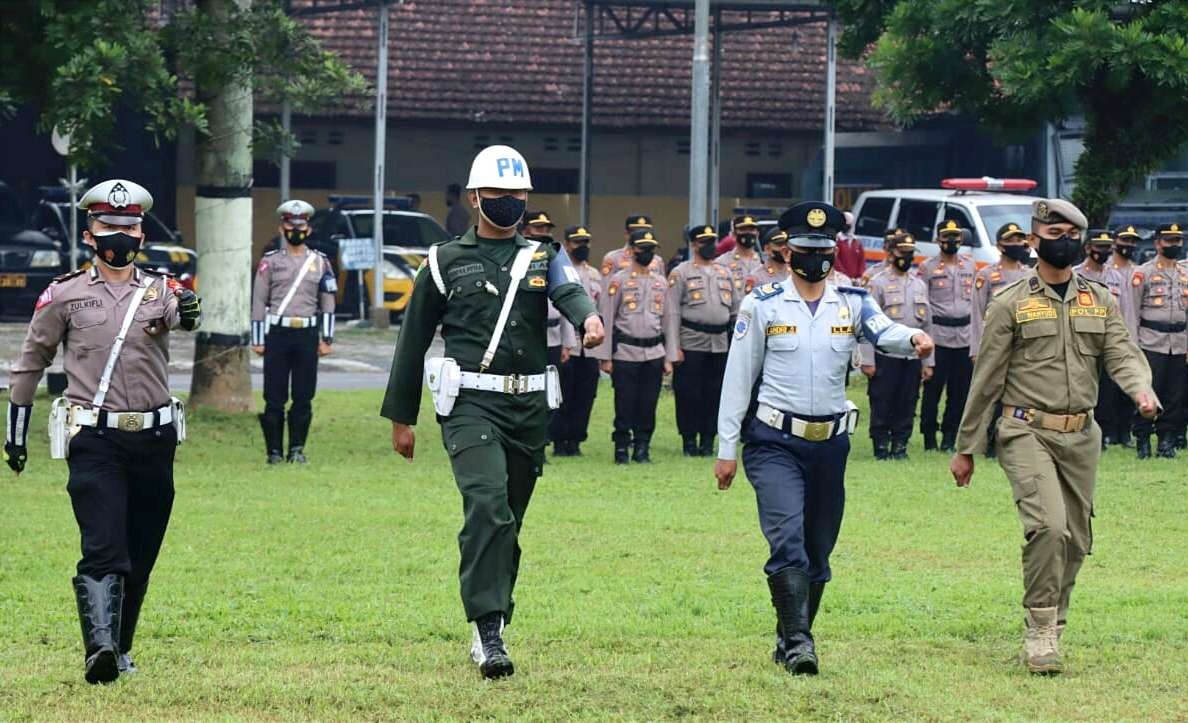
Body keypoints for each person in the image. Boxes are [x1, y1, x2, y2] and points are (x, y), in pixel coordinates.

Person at [381, 145, 603, 679]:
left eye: (518, 195)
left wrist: (589, 320)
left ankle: (496, 618)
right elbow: (413, 342)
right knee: (488, 507)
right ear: (476, 198)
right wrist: (402, 418)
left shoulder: (544, 256)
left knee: (510, 520)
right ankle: (486, 629)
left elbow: (570, 294)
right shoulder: (443, 260)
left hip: (527, 406)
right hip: (470, 405)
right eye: (499, 195)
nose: (510, 203)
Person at [715, 201, 934, 676]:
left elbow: (884, 331)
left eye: (823, 249)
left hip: (830, 445)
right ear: (787, 251)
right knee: (787, 538)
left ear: (834, 252)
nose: (814, 256)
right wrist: (726, 449)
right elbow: (738, 377)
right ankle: (799, 643)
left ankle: (790, 630)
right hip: (774, 441)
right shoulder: (764, 304)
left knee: (819, 548)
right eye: (804, 248)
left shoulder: (852, 302)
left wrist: (912, 337)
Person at [4, 179, 202, 684]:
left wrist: (189, 312)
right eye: (109, 227)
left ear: (141, 233)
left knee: (140, 551)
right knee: (104, 546)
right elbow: (30, 364)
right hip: (95, 440)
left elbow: (183, 314)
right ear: (90, 233)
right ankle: (100, 651)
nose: (120, 235)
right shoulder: (63, 295)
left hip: (155, 440)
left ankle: (122, 648)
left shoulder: (160, 289)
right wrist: (16, 432)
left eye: (130, 227)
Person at [951, 198, 1159, 675]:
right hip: (1025, 429)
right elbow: (986, 379)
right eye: (1054, 233)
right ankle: (1040, 629)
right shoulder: (1011, 303)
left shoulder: (1099, 299)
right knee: (1048, 526)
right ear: (1034, 240)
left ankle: (1055, 623)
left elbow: (1123, 354)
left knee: (1076, 539)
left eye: (1072, 233)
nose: (1064, 241)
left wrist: (1141, 390)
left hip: (1081, 435)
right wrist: (967, 447)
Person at [251, 200, 336, 465]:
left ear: (308, 230)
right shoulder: (270, 263)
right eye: (290, 224)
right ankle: (274, 452)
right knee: (273, 396)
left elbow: (328, 302)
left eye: (301, 225)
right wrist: (257, 338)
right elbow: (258, 301)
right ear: (281, 228)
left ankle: (297, 449)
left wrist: (327, 338)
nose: (296, 229)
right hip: (277, 334)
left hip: (307, 336)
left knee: (303, 395)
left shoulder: (321, 263)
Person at [594, 229, 672, 464]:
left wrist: (669, 357)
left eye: (651, 249)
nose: (646, 253)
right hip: (625, 352)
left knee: (648, 402)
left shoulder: (660, 282)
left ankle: (642, 447)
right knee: (625, 402)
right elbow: (606, 316)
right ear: (632, 249)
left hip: (654, 352)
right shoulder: (618, 281)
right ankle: (621, 447)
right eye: (642, 249)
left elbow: (669, 319)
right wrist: (605, 356)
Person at [666, 224, 739, 456]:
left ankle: (708, 439)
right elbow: (672, 312)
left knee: (715, 393)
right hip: (691, 341)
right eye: (704, 242)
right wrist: (674, 348)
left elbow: (736, 310)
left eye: (712, 241)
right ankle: (689, 440)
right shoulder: (681, 272)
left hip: (719, 341)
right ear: (694, 244)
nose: (709, 246)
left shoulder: (724, 272)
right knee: (689, 393)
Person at [859, 232, 933, 459]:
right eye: (903, 252)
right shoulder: (878, 283)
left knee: (908, 401)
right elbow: (866, 325)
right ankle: (881, 446)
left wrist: (928, 362)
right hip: (886, 354)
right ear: (891, 254)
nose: (907, 257)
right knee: (882, 400)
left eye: (911, 253)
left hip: (912, 355)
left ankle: (900, 445)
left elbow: (927, 326)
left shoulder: (919, 284)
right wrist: (867, 359)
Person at [969, 223, 1032, 458]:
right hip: (994, 344)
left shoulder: (1029, 275)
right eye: (1011, 241)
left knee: (1020, 394)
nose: (1017, 245)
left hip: (1023, 345)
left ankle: (1017, 440)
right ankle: (989, 443)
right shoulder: (986, 275)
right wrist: (976, 349)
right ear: (1000, 246)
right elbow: (976, 313)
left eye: (1019, 240)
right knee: (992, 394)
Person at [1125, 222, 1186, 459]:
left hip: (1179, 342)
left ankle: (1166, 440)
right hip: (1151, 341)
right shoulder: (1143, 273)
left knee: (1175, 395)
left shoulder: (1184, 273)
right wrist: (1133, 346)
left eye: (1177, 241)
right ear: (1158, 243)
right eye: (1169, 241)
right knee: (1148, 392)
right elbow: (1132, 311)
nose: (1174, 245)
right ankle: (1142, 438)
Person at [918, 218, 976, 452]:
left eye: (955, 237)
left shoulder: (970, 266)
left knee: (960, 391)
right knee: (933, 390)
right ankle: (929, 438)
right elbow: (922, 304)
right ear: (937, 239)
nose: (951, 241)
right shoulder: (927, 268)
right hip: (938, 336)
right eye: (946, 237)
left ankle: (950, 438)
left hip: (964, 336)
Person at [550, 225, 602, 456]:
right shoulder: (560, 271)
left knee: (585, 394)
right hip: (568, 344)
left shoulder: (593, 274)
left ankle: (576, 439)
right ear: (567, 244)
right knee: (563, 394)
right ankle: (560, 440)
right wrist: (566, 343)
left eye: (586, 242)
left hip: (589, 348)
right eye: (577, 242)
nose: (582, 247)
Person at [1074, 230, 1128, 449]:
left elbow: (1123, 310)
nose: (1104, 252)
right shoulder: (1075, 274)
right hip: (1082, 338)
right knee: (1084, 386)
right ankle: (1083, 430)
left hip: (1107, 337)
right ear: (1088, 248)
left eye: (1107, 247)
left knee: (1107, 388)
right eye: (1099, 247)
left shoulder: (1116, 276)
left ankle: (1105, 433)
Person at [600, 214, 664, 288]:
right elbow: (606, 288)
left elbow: (662, 288)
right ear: (627, 234)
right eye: (636, 232)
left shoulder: (657, 260)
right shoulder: (613, 258)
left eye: (645, 232)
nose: (642, 235)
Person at [723, 214, 764, 294]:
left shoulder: (764, 262)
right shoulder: (722, 263)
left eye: (751, 230)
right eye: (743, 229)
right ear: (734, 235)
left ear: (757, 234)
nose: (748, 233)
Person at [834, 211, 867, 280]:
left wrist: (859, 277)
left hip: (855, 281)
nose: (846, 226)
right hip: (840, 279)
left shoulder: (857, 242)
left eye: (849, 224)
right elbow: (836, 261)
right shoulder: (836, 240)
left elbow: (862, 261)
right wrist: (846, 277)